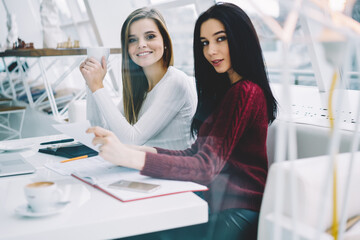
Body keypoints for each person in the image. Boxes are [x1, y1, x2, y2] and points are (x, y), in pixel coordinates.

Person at [87, 3, 277, 239]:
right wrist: (134, 150)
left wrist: (131, 156)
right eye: (205, 43)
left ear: (241, 39)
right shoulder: (227, 91)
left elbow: (206, 167)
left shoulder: (245, 92)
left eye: (221, 39)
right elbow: (195, 153)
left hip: (237, 211)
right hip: (215, 204)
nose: (210, 51)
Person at [80, 7, 197, 150]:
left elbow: (131, 140)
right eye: (132, 40)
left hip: (174, 171)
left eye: (150, 36)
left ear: (165, 41)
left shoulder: (175, 81)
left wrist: (98, 86)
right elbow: (100, 130)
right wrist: (90, 82)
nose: (141, 44)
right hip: (145, 169)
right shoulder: (140, 88)